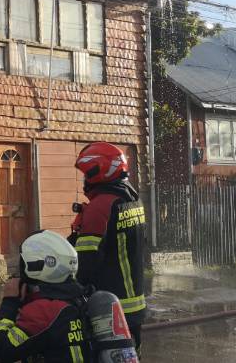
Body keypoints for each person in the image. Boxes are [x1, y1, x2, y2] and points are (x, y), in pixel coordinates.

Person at [71, 142, 146, 349]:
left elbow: (86, 261)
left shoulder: (101, 205)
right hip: (135, 304)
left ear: (97, 170)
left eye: (86, 174)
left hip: (109, 305)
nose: (85, 180)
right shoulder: (132, 199)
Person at [0, 230, 90, 363]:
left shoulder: (44, 310)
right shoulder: (79, 298)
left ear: (36, 265)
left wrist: (9, 302)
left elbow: (1, 350)